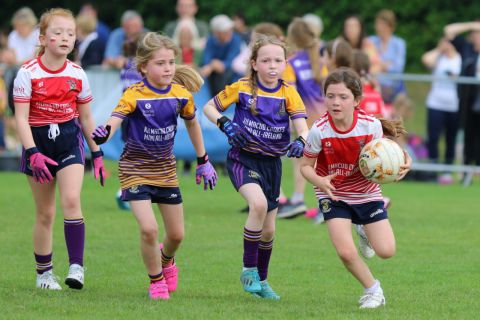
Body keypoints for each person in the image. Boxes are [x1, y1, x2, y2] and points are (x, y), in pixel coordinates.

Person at [91, 32, 217, 300]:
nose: (168, 69)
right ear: (144, 67)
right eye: (160, 63)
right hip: (135, 169)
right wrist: (105, 134)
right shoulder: (133, 94)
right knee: (149, 229)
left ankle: (167, 260)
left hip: (165, 171)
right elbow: (115, 119)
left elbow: (193, 124)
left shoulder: (181, 94)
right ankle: (155, 280)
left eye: (171, 62)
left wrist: (203, 160)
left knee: (177, 235)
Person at [203, 34, 309, 299]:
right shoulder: (241, 87)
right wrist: (226, 124)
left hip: (272, 165)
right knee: (258, 205)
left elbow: (302, 126)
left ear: (285, 63)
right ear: (253, 64)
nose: (272, 65)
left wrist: (302, 142)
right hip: (243, 158)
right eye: (266, 60)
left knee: (269, 229)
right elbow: (209, 107)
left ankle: (262, 281)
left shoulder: (288, 92)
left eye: (278, 60)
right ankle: (248, 269)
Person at [300, 68, 411, 309]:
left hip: (366, 193)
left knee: (386, 251)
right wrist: (319, 181)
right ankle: (373, 290)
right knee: (346, 252)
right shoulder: (319, 129)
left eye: (343, 97)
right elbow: (305, 166)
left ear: (357, 101)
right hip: (333, 193)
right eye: (330, 96)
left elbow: (388, 155)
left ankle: (362, 228)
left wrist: (404, 162)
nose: (335, 102)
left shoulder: (370, 126)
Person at [13, 8, 105, 291]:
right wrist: (32, 153)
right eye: (58, 32)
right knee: (45, 213)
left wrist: (97, 154)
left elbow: (87, 118)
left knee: (71, 200)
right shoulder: (27, 73)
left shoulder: (77, 73)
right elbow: (20, 118)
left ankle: (76, 267)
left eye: (71, 33)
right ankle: (44, 275)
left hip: (68, 140)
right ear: (43, 38)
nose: (65, 38)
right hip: (37, 144)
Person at [277, 17, 325, 219]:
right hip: (325, 118)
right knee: (324, 163)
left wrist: (287, 121)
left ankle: (301, 200)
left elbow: (292, 95)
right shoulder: (319, 60)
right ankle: (315, 202)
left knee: (301, 162)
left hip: (305, 121)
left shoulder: (292, 63)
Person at [422, 37, 461, 183]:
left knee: (451, 138)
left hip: (454, 105)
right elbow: (426, 60)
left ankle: (448, 170)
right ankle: (433, 169)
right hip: (435, 103)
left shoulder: (459, 58)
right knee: (433, 137)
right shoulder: (438, 58)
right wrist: (440, 49)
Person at [444, 21, 480, 166]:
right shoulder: (467, 49)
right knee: (468, 136)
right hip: (468, 101)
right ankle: (467, 169)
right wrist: (473, 25)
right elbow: (448, 30)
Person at [369, 9, 406, 104]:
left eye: (381, 24)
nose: (378, 27)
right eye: (377, 24)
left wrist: (378, 64)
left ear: (390, 26)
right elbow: (368, 65)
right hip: (373, 86)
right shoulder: (370, 41)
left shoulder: (399, 43)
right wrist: (387, 64)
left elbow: (398, 68)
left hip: (393, 88)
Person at [200, 14, 242, 97]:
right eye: (225, 31)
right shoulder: (210, 40)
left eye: (230, 30)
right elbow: (206, 58)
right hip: (214, 72)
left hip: (233, 74)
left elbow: (232, 61)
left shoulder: (236, 39)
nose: (229, 33)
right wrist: (211, 65)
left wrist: (214, 65)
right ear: (216, 33)